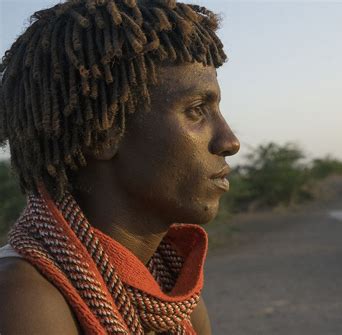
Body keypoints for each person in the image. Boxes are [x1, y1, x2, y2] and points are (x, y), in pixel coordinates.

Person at [0, 0, 240, 334]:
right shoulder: (24, 298)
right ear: (104, 134)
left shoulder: (169, 293)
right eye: (197, 109)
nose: (229, 141)